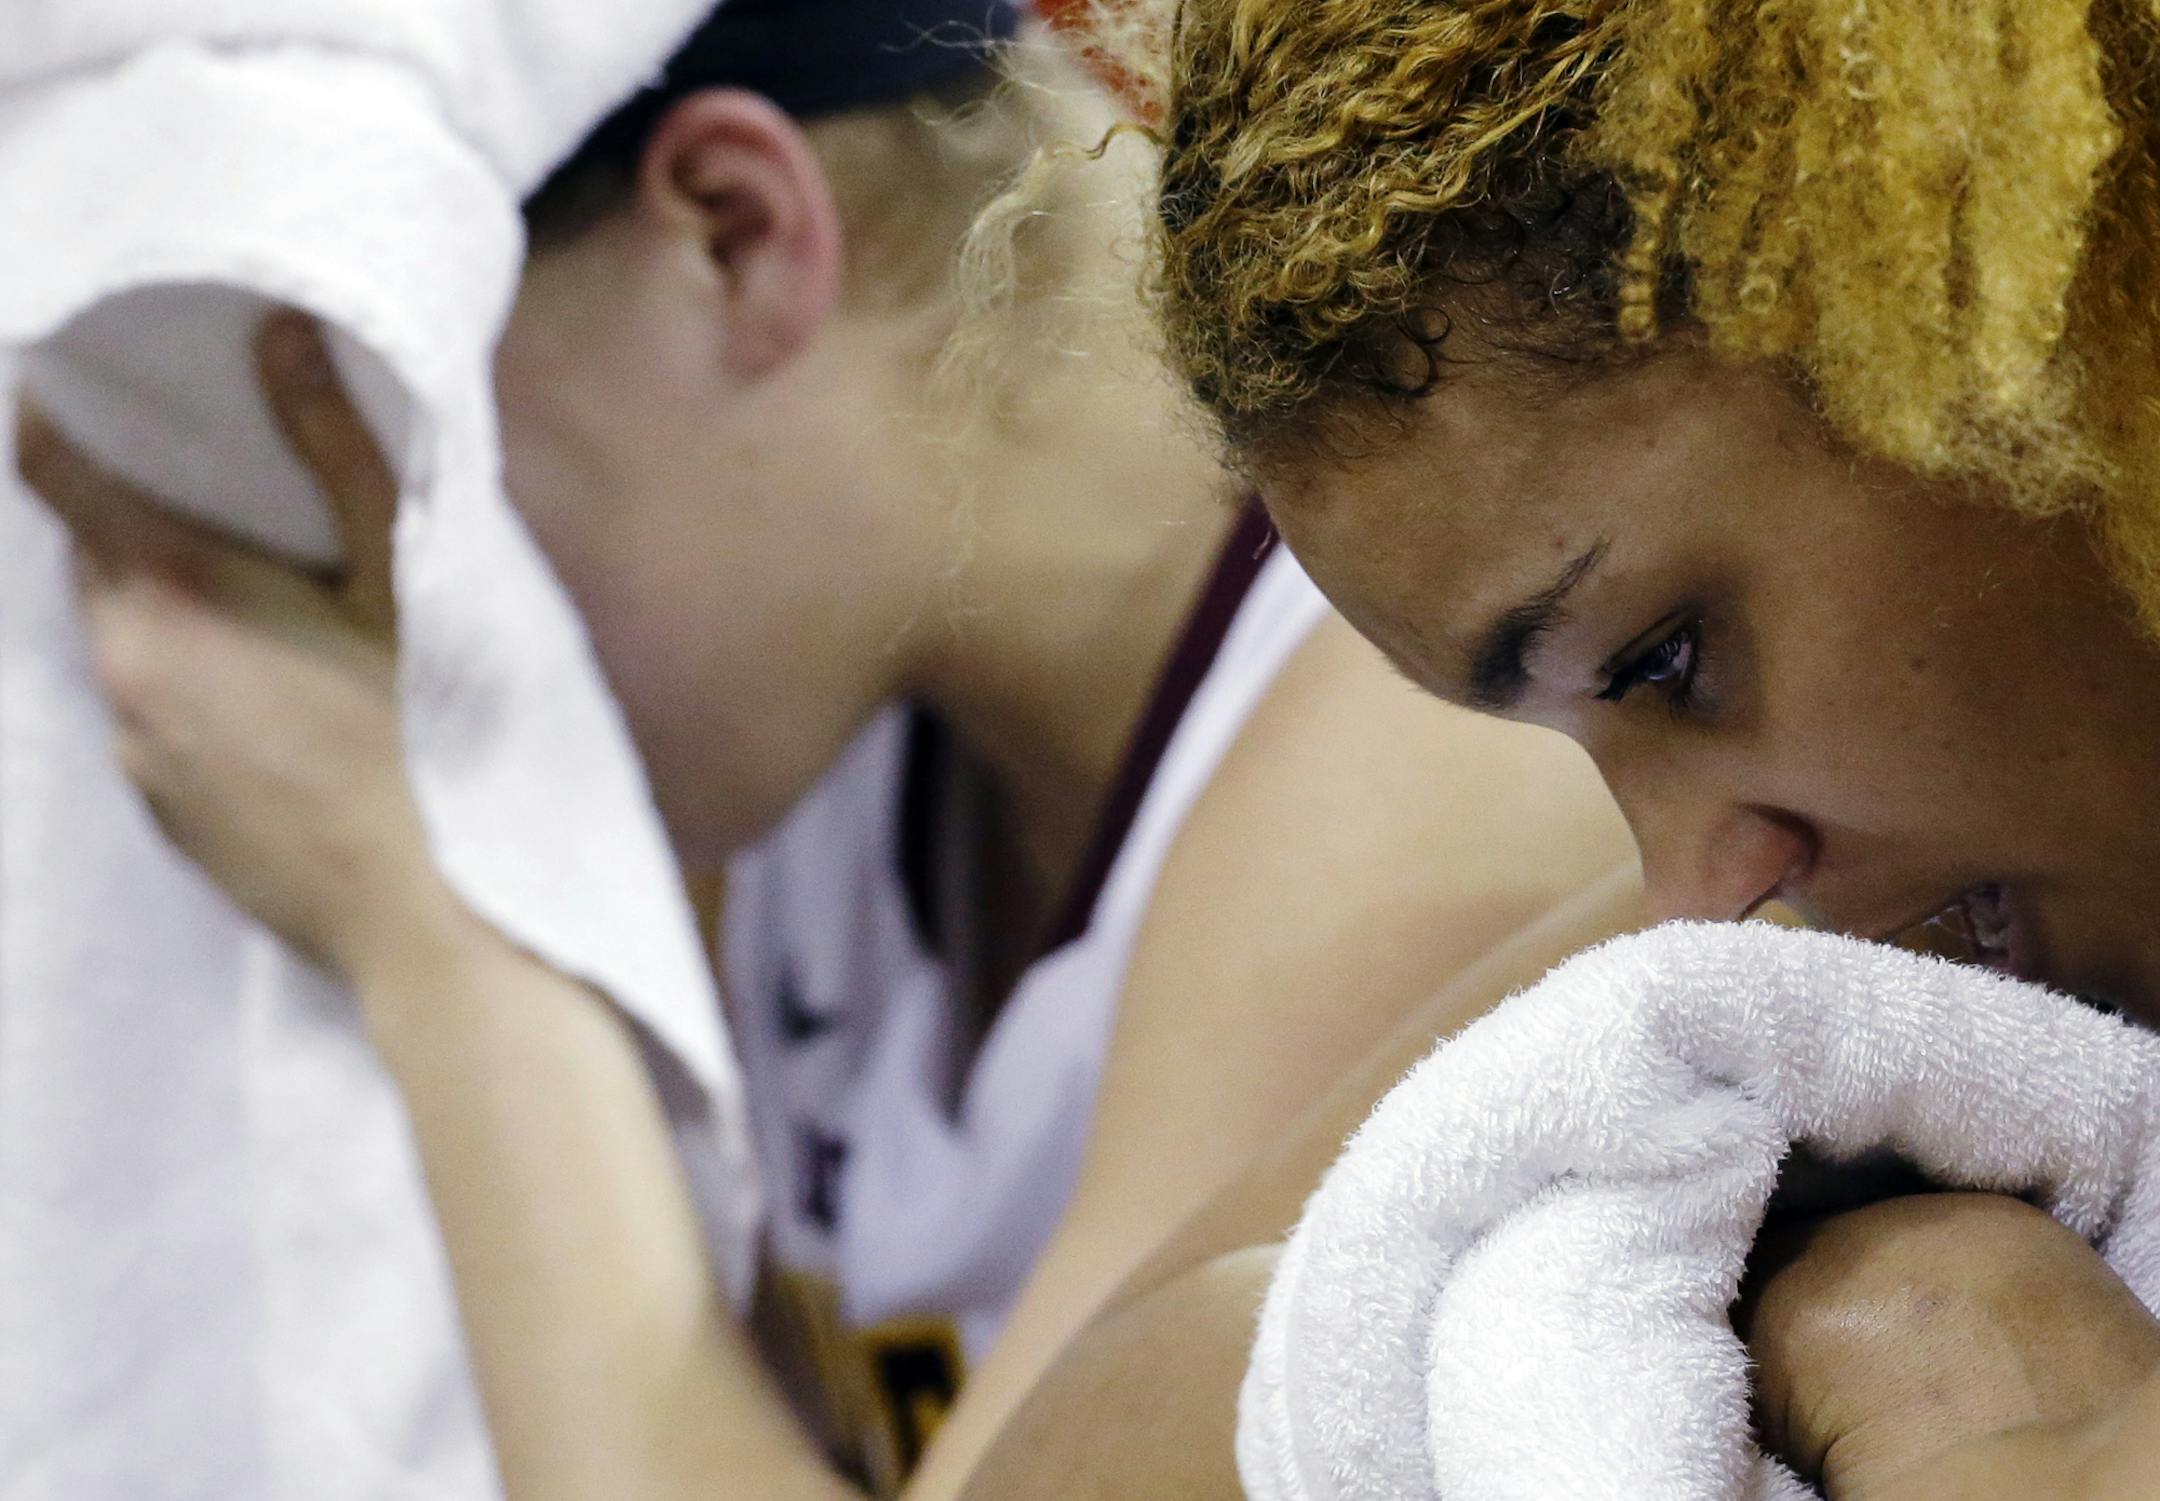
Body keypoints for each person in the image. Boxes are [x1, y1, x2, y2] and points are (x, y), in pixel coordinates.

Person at [13, 2, 1635, 1497]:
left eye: (389, 468)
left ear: (736, 232)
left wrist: (428, 919)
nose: (374, 615)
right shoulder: (816, 744)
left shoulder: (1439, 732)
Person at [953, 0, 2160, 1494]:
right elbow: (1060, 1454)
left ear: (2043, 320)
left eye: (1667, 660)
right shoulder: (1831, 972)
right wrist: (1839, 1303)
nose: (1691, 896)